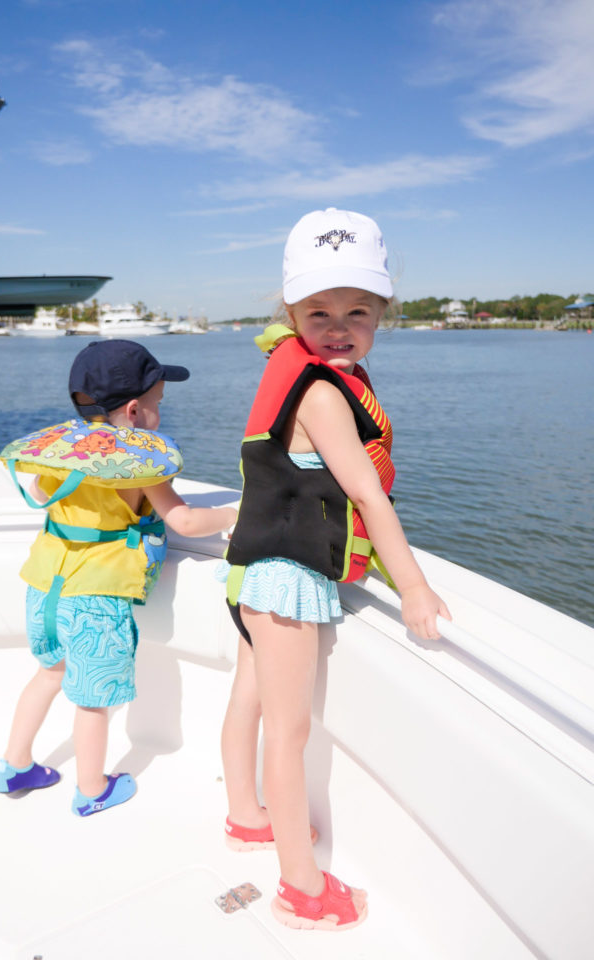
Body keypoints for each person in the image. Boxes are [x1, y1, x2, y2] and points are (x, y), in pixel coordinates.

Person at [219, 208, 452, 930]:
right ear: (289, 311)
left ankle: (245, 816)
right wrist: (412, 584)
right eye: (318, 311)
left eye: (358, 310)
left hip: (253, 571)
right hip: (287, 578)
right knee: (288, 733)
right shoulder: (321, 393)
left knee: (249, 703)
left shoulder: (301, 375)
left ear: (383, 313)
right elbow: (364, 494)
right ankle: (300, 886)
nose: (339, 325)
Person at [0, 340, 237, 817]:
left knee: (48, 673)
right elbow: (184, 522)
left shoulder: (56, 453)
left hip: (44, 587)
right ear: (134, 409)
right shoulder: (134, 464)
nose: (158, 412)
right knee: (92, 700)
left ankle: (15, 764)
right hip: (96, 598)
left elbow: (45, 493)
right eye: (157, 403)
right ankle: (91, 788)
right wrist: (237, 512)